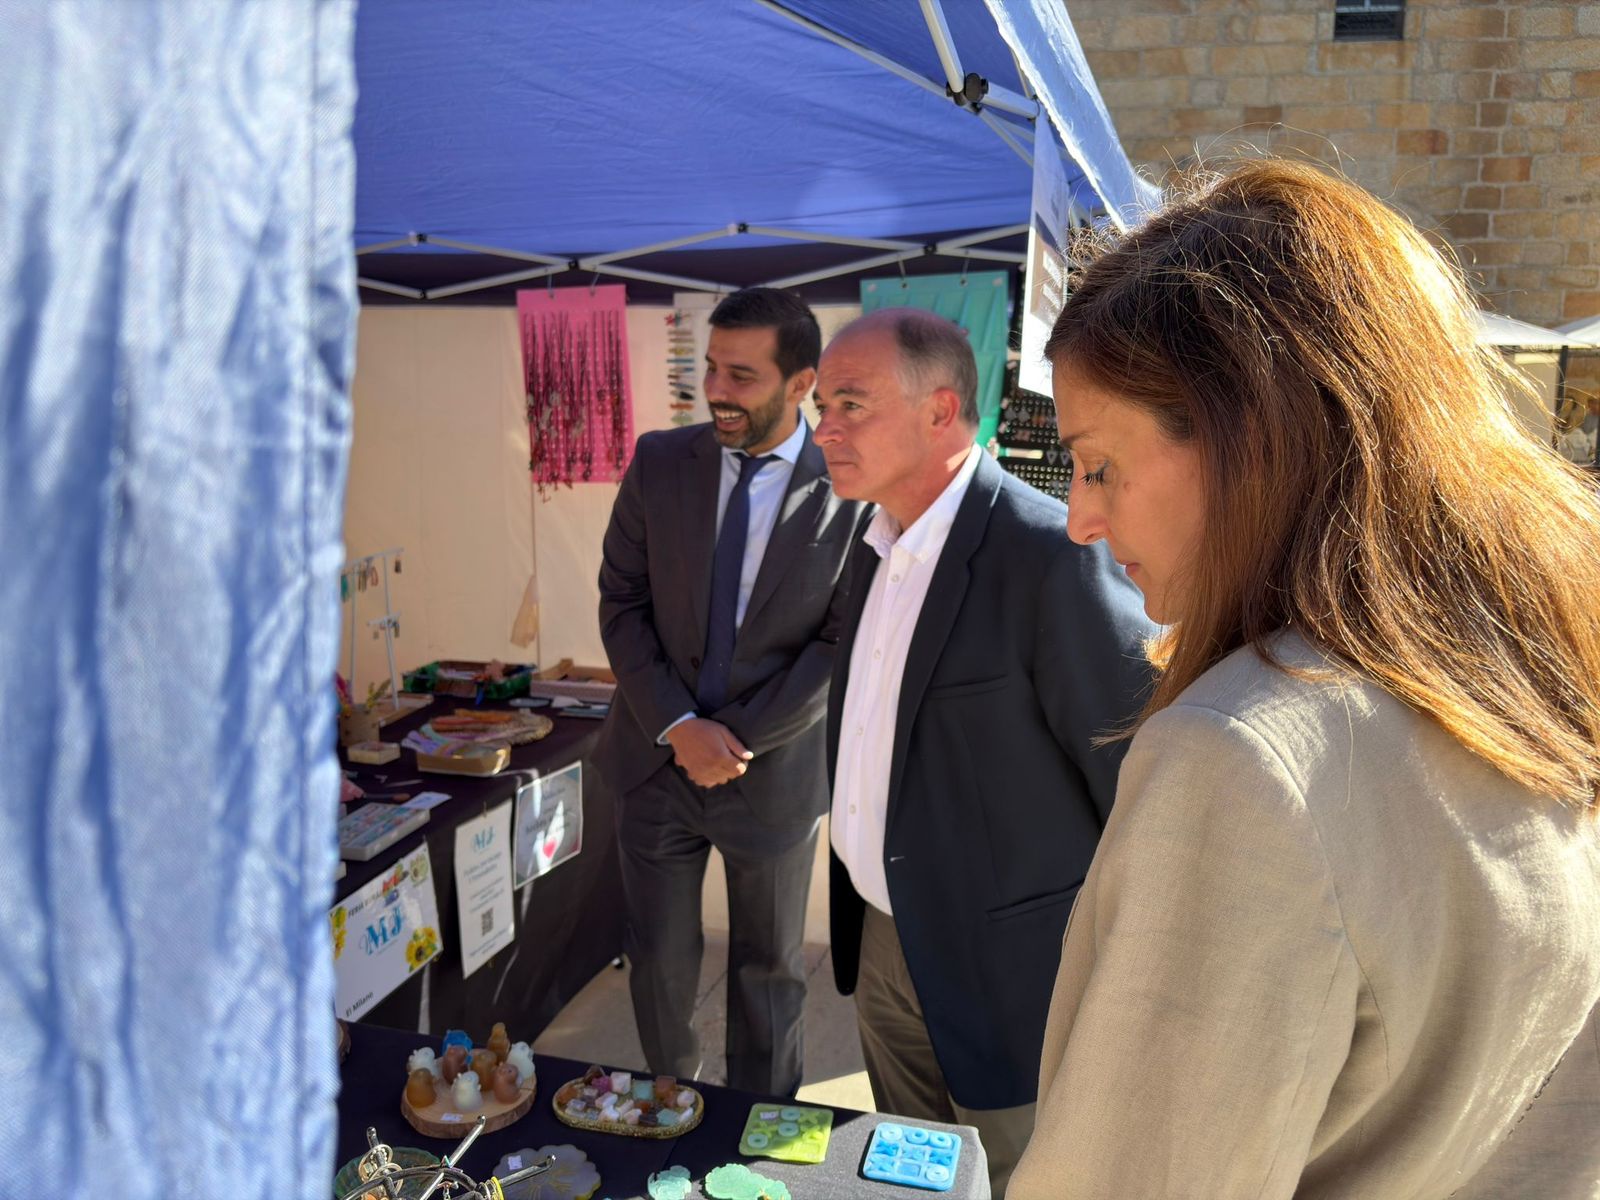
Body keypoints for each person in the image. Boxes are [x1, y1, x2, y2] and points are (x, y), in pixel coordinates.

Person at [1010, 159, 1600, 1199]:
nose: (1081, 518)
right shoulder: (1537, 665)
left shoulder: (1247, 758)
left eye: (1095, 463)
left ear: (1251, 441)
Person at [812, 308, 1155, 1196]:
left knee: (1016, 1177)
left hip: (1011, 972)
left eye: (851, 402)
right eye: (821, 405)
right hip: (883, 941)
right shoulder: (872, 545)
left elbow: (1132, 774)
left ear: (941, 411)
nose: (824, 429)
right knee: (912, 1176)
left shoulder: (1047, 554)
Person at [595, 287, 867, 1097]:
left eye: (741, 376)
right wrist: (680, 726)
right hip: (653, 769)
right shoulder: (657, 462)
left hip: (773, 778)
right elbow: (622, 600)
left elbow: (839, 640)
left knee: (770, 975)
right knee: (660, 966)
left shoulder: (852, 488)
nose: (715, 389)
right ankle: (671, 1110)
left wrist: (733, 740)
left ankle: (757, 1131)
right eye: (712, 368)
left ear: (800, 383)